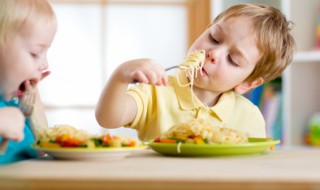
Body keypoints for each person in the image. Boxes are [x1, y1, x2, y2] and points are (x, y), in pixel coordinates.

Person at [95, 3, 295, 141]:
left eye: (232, 59)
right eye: (214, 38)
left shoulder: (249, 116)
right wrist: (121, 76)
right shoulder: (156, 92)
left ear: (248, 83)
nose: (214, 53)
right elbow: (108, 118)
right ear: (207, 29)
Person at [0, 0, 57, 164]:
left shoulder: (13, 103)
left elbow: (43, 155)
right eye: (35, 53)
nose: (45, 64)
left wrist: (36, 113)